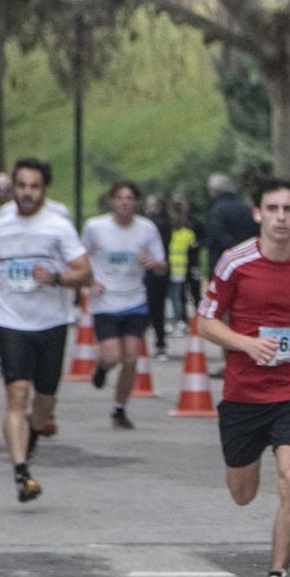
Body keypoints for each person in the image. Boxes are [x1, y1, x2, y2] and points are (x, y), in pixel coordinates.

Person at [197, 179, 290, 577]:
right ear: (258, 214)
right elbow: (205, 321)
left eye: (289, 209)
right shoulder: (236, 262)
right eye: (273, 208)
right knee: (242, 493)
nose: (281, 217)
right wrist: (246, 344)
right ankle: (246, 465)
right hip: (244, 394)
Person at [0, 158, 90, 503]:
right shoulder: (0, 225)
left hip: (51, 323)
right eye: (22, 186)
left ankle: (34, 433)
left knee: (44, 403)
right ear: (13, 187)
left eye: (34, 187)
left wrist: (56, 277)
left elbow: (85, 273)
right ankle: (21, 472)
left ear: (44, 190)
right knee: (17, 394)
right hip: (11, 321)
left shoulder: (58, 227)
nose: (27, 193)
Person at [81, 180, 167, 429]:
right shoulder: (95, 227)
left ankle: (119, 408)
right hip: (105, 301)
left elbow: (162, 265)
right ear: (112, 201)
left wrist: (153, 263)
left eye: (129, 198)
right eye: (120, 198)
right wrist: (88, 282)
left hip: (135, 301)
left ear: (135, 202)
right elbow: (79, 257)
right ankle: (101, 367)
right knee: (113, 356)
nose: (125, 203)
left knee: (130, 358)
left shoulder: (146, 229)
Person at [203, 172, 257, 274]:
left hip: (221, 264)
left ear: (213, 191)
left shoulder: (215, 211)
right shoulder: (247, 210)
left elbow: (217, 237)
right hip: (247, 262)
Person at [142, 188, 173, 359]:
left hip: (151, 268)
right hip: (164, 268)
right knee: (159, 308)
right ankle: (160, 343)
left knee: (149, 307)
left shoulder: (151, 225)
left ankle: (143, 342)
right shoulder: (167, 222)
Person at [168, 196, 200, 333]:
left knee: (178, 296)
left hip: (177, 266)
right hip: (184, 266)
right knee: (184, 295)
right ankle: (186, 320)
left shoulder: (172, 228)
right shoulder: (189, 228)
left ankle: (182, 321)